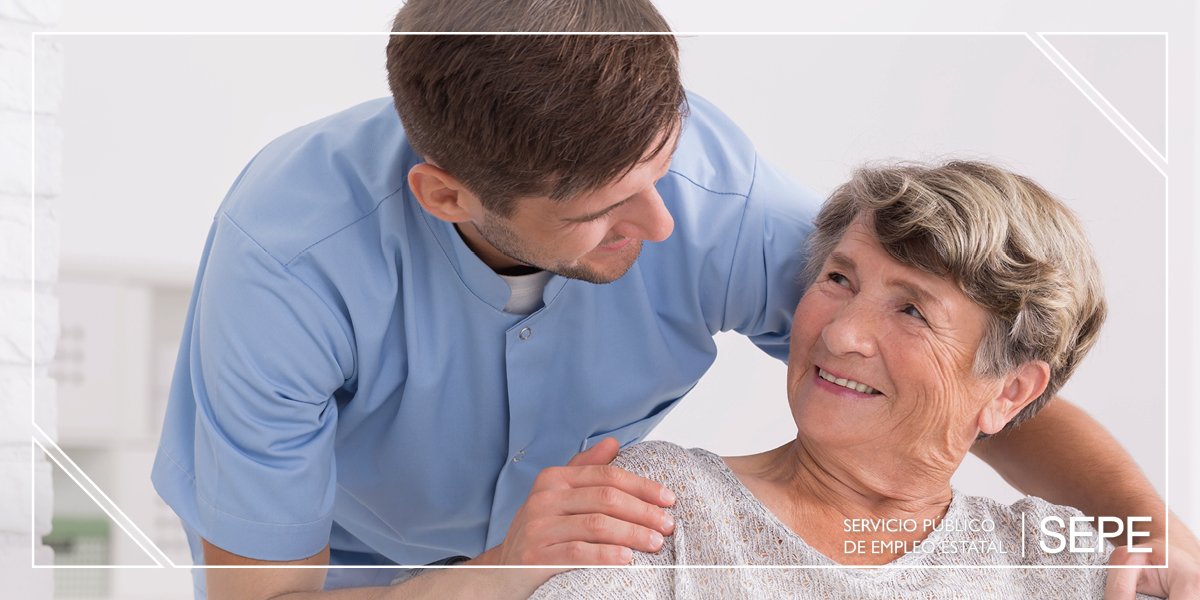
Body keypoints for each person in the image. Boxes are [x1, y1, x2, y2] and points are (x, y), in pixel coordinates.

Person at [149, 1, 1196, 599]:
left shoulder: (716, 203)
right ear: (448, 197)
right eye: (605, 212)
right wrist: (510, 567)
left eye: (664, 169)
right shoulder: (290, 266)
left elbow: (968, 381)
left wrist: (1154, 534)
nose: (661, 230)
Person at [526, 161, 1154, 599]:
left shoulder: (1053, 559)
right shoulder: (659, 505)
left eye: (911, 309)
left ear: (1010, 391)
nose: (840, 334)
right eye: (839, 280)